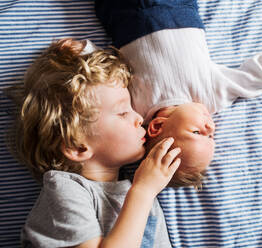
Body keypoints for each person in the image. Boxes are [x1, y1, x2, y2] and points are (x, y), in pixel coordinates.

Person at [94, 0, 262, 188]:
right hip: (178, 11)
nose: (210, 126)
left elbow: (104, 77)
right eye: (211, 135)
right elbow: (247, 79)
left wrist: (84, 50)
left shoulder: (134, 108)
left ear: (157, 126)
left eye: (198, 133)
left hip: (126, 15)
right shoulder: (209, 96)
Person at [9, 38, 180, 248]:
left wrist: (87, 50)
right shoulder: (65, 189)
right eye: (123, 112)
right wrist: (143, 191)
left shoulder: (137, 183)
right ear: (78, 147)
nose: (139, 118)